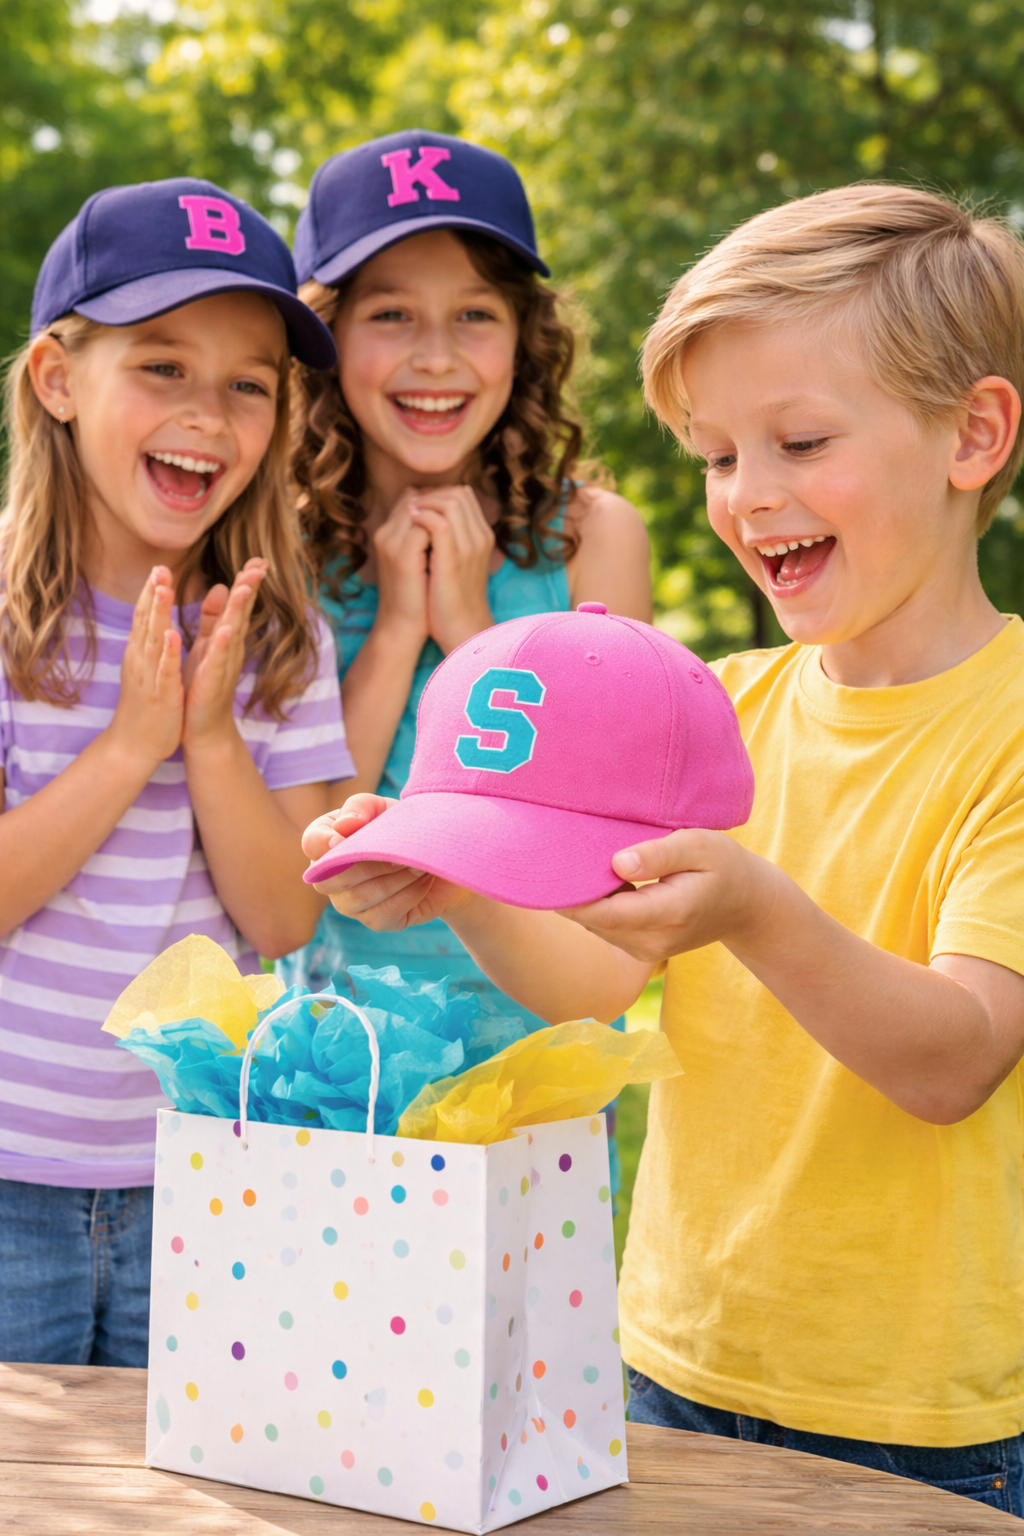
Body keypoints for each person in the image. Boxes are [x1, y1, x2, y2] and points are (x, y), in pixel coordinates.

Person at [302, 186, 1024, 1514]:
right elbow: (594, 983)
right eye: (716, 455)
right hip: (669, 1363)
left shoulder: (1012, 730)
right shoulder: (727, 706)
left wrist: (755, 908)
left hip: (918, 1422)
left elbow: (956, 1060)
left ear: (973, 434)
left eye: (799, 440)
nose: (748, 499)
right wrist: (454, 882)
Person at [0, 178, 354, 1367]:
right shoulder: (7, 621)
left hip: (209, 1171)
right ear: (58, 379)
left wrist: (207, 738)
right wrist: (125, 747)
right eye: (162, 367)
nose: (209, 413)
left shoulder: (280, 636)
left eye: (249, 384)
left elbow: (284, 908)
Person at [279, 130, 651, 1179]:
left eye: (474, 316)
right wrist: (396, 630)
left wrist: (471, 633)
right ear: (329, 334)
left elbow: (586, 838)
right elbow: (302, 852)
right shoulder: (287, 546)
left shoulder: (590, 540)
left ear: (525, 341)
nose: (434, 357)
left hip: (540, 1052)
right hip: (345, 1061)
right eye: (390, 312)